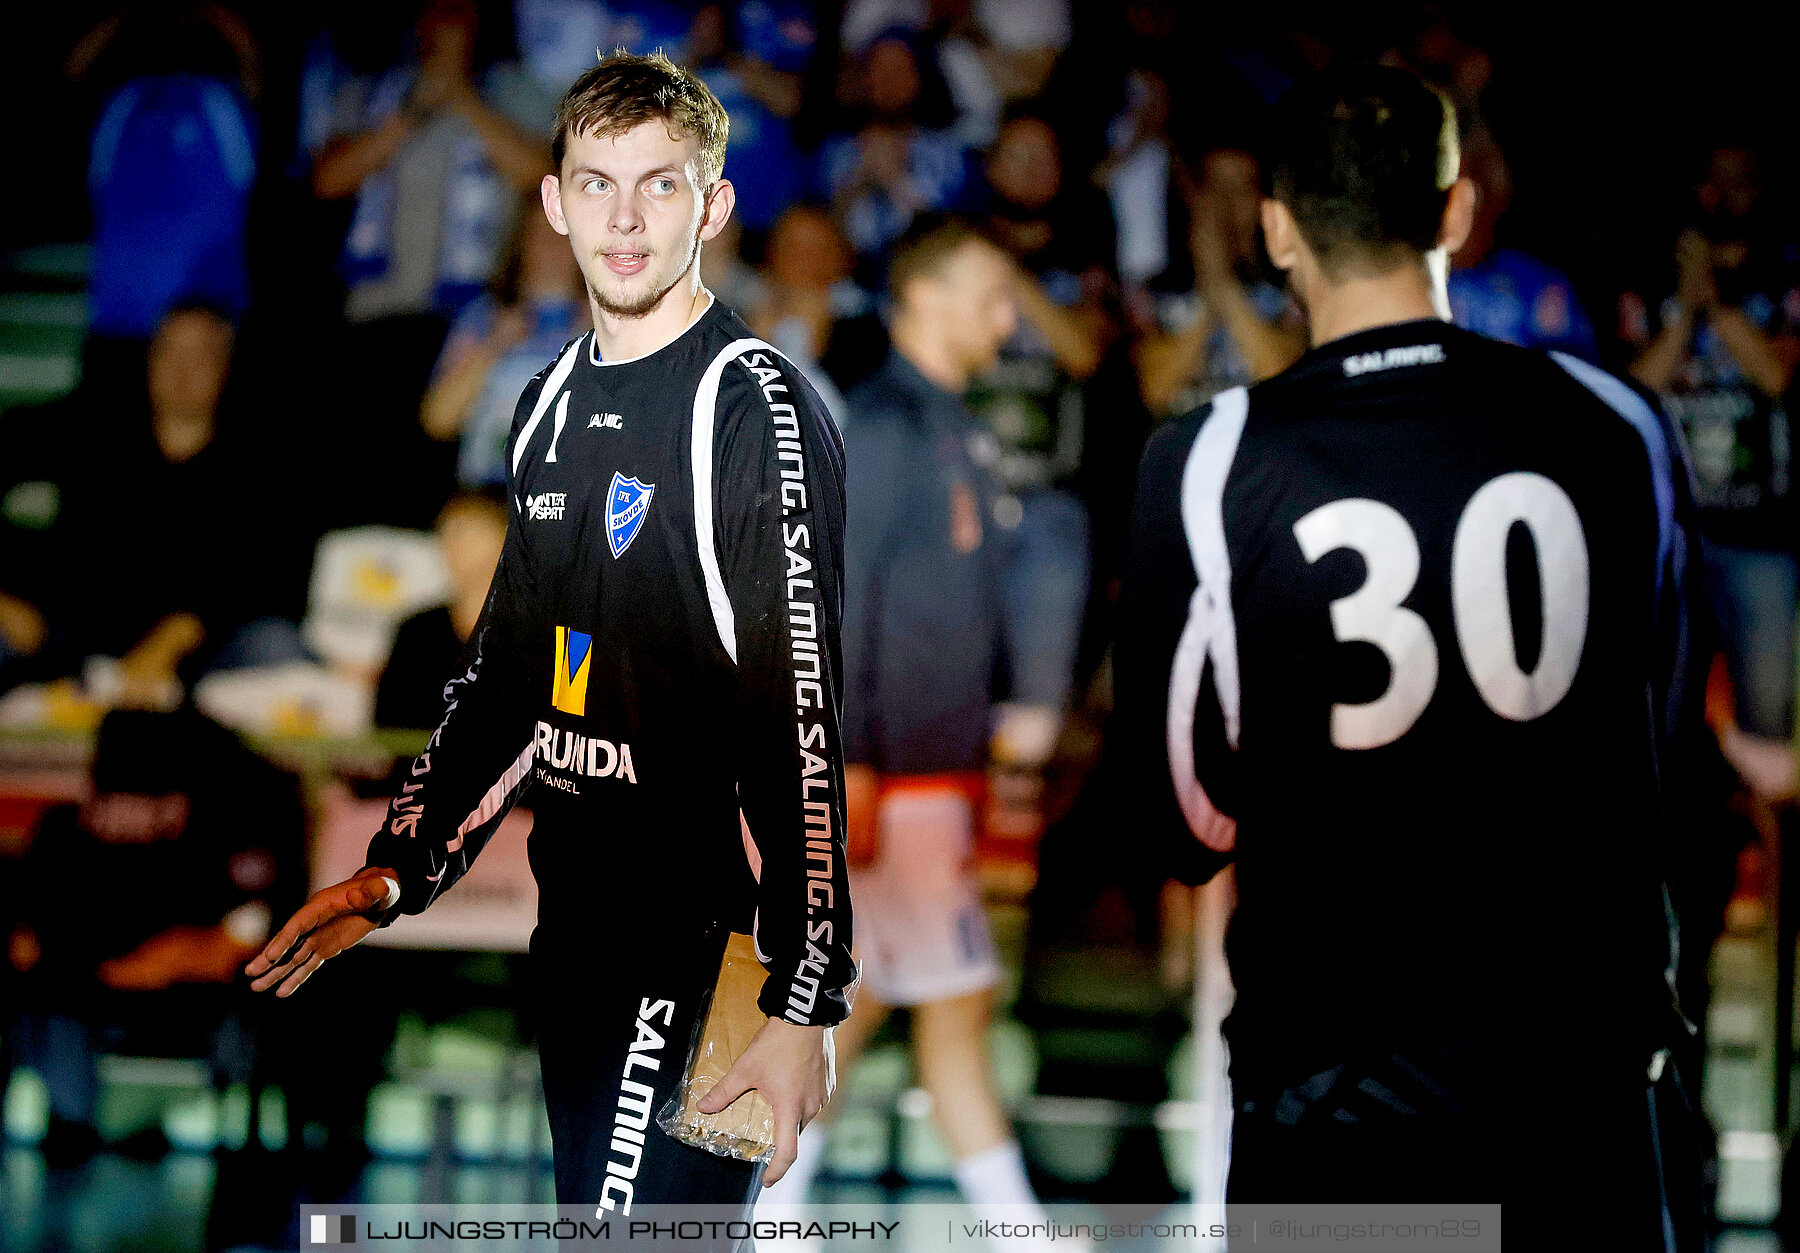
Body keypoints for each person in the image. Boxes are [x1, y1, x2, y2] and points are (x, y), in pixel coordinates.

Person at [245, 51, 854, 1231]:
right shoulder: (548, 403)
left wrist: (803, 991)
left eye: (661, 186)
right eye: (598, 183)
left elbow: (804, 711)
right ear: (554, 199)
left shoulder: (753, 405)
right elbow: (514, 680)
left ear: (715, 205)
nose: (624, 220)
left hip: (697, 931)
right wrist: (399, 863)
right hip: (575, 924)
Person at [1112, 65, 1705, 1242]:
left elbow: (1179, 820)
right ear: (1455, 213)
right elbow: (1665, 736)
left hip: (1342, 1091)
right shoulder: (1617, 421)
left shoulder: (1217, 454)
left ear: (1277, 230)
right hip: (1582, 1083)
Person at [763, 216, 1057, 1237]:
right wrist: (845, 761)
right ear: (924, 297)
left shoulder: (956, 425)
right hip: (890, 784)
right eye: (990, 295)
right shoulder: (884, 426)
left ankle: (765, 1211)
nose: (1008, 319)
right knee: (952, 1007)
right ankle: (1015, 1232)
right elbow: (829, 604)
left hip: (932, 779)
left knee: (878, 1010)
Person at [1622, 141, 1800, 798]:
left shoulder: (1783, 275)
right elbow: (1633, 390)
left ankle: (1768, 887)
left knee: (1770, 737)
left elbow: (1776, 373)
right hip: (1668, 534)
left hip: (1762, 540)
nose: (1727, 196)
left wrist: (1715, 300)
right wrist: (1685, 308)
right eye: (1715, 181)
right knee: (1657, 719)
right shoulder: (1649, 276)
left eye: (1743, 181)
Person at [421, 200, 590, 489]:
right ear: (520, 243)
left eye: (565, 234)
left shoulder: (611, 322)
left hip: (572, 494)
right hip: (490, 488)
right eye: (542, 233)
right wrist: (493, 348)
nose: (553, 246)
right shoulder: (483, 316)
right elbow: (437, 420)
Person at [1446, 127, 1597, 359]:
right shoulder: (1407, 282)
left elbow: (1580, 382)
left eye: (1487, 183)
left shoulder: (1542, 288)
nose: (1478, 200)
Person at [374, 491, 510, 730]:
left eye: (466, 530)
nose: (451, 542)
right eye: (445, 530)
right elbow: (391, 720)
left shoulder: (539, 629)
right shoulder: (417, 630)